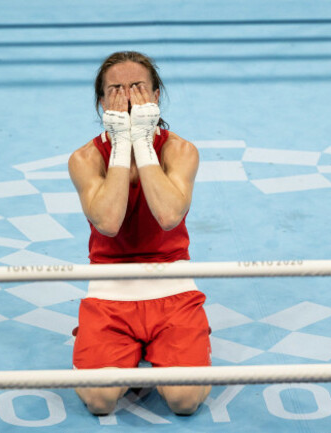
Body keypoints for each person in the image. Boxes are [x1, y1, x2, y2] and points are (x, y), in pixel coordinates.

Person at [68, 51, 211, 416]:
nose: (128, 98)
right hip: (109, 293)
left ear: (156, 95)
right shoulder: (85, 159)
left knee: (184, 401)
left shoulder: (180, 151)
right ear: (103, 102)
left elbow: (167, 216)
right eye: (116, 90)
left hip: (173, 291)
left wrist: (143, 142)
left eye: (137, 87)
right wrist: (121, 144)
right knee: (100, 402)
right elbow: (109, 222)